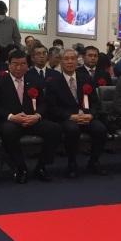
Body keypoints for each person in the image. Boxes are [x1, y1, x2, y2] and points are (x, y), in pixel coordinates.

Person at [0, 49, 61, 184]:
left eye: (22, 64)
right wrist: (11, 117)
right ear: (9, 65)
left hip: (31, 119)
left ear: (27, 65)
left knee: (54, 129)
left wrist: (37, 116)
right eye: (15, 64)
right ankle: (20, 167)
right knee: (9, 131)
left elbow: (44, 103)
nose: (19, 68)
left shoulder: (34, 80)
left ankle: (41, 166)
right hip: (10, 121)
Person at [44, 48, 109, 178]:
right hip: (67, 118)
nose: (70, 62)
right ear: (61, 62)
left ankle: (94, 161)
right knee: (72, 129)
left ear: (77, 61)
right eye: (66, 59)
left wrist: (91, 114)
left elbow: (95, 103)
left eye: (72, 59)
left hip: (86, 116)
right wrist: (70, 116)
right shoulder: (53, 81)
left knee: (101, 129)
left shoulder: (86, 78)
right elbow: (52, 108)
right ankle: (72, 163)